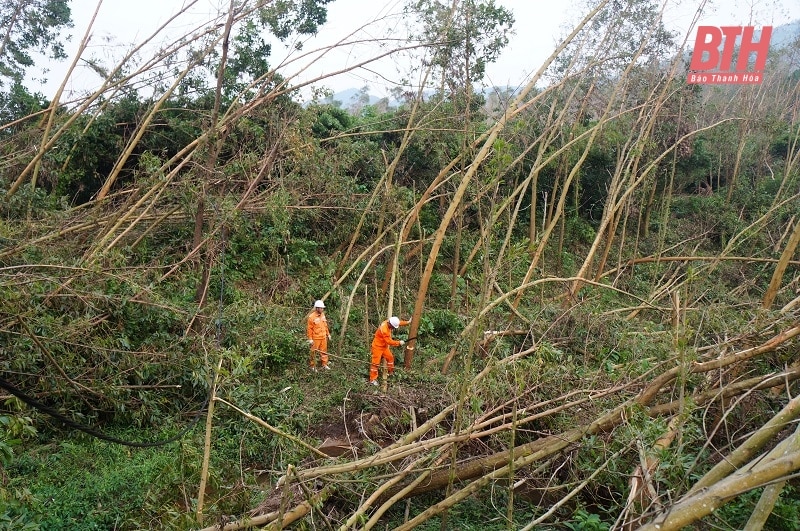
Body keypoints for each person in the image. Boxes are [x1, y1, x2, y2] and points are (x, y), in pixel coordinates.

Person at [369, 315, 410, 385]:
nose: (393, 328)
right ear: (390, 324)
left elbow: (398, 323)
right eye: (393, 327)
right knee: (375, 364)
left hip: (384, 347)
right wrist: (399, 343)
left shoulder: (389, 322)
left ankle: (390, 372)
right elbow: (389, 341)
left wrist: (407, 322)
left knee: (390, 358)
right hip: (377, 347)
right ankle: (372, 379)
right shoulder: (384, 330)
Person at [306, 300, 332, 371]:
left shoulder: (323, 314)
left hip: (323, 337)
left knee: (324, 351)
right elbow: (309, 329)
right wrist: (310, 339)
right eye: (321, 308)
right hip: (316, 338)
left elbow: (325, 325)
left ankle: (324, 364)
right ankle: (313, 366)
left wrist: (328, 334)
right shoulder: (311, 317)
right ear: (317, 308)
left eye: (323, 308)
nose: (322, 309)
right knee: (313, 352)